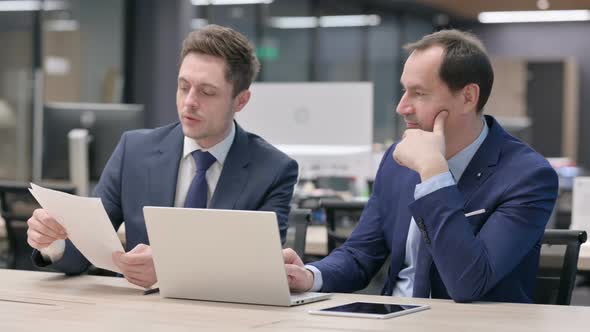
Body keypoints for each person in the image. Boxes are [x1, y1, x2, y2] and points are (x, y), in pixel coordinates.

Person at [283, 29, 558, 303]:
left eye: (419, 93)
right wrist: (309, 276)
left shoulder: (528, 176)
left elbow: (469, 283)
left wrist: (433, 173)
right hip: (395, 318)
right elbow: (361, 253)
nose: (402, 107)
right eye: (405, 90)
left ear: (468, 98)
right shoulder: (398, 158)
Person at [27, 24, 298, 289]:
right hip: (139, 316)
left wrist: (170, 266)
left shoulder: (273, 170)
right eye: (183, 86)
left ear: (240, 101)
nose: (189, 101)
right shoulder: (133, 151)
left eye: (207, 92)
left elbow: (259, 269)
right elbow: (85, 251)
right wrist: (54, 243)